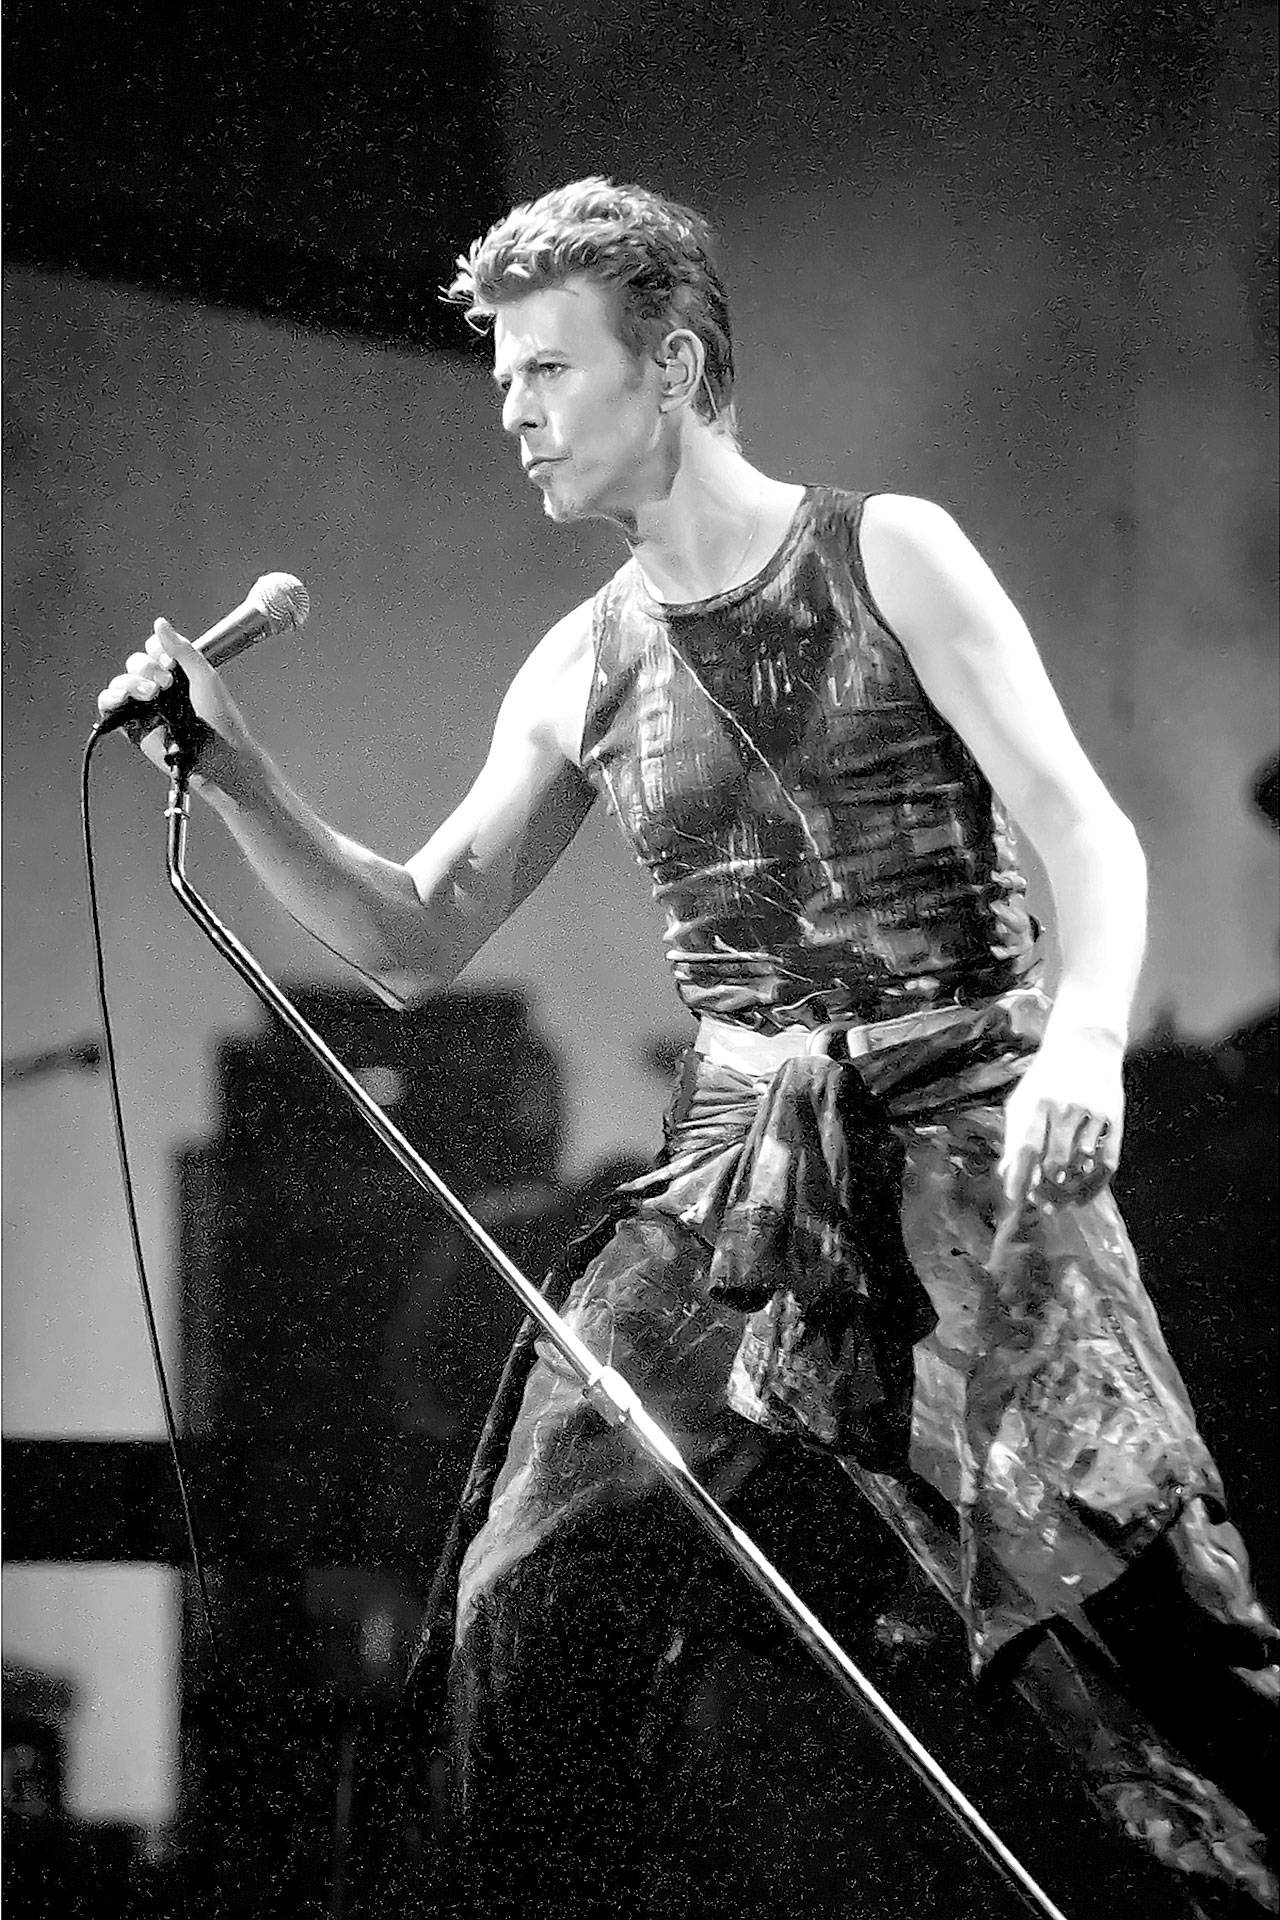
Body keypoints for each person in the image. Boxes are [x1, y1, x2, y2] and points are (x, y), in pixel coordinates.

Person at [98, 179, 1276, 1917]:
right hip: (732, 1190)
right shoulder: (581, 663)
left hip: (960, 1141)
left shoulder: (890, 554)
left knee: (1146, 1630)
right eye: (502, 377)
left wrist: (1088, 1039)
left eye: (548, 370)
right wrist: (239, 771)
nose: (514, 412)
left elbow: (1085, 833)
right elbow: (413, 937)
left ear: (671, 364)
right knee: (527, 1602)